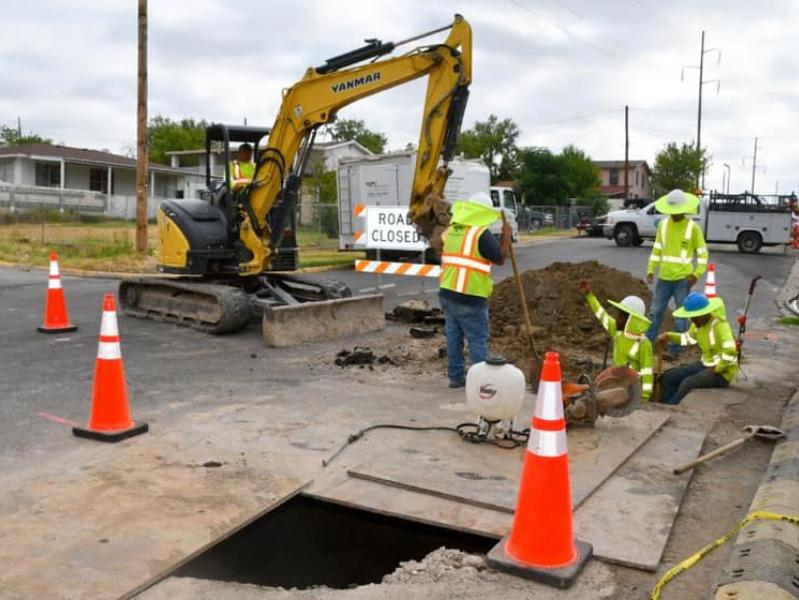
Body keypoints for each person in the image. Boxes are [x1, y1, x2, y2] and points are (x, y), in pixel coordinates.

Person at [439, 192, 511, 388]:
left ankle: (456, 378)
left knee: (454, 338)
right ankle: (480, 384)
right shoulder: (480, 233)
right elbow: (500, 258)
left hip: (447, 292)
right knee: (477, 339)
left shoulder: (452, 230)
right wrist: (506, 236)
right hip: (470, 296)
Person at [646, 189, 709, 358]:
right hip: (664, 278)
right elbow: (657, 249)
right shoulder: (663, 226)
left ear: (683, 209)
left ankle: (674, 351)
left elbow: (703, 254)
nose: (673, 215)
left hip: (683, 280)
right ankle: (646, 346)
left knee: (681, 317)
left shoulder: (692, 228)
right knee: (655, 313)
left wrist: (696, 274)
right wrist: (651, 269)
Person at [655, 291, 738, 405]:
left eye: (694, 317)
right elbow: (688, 339)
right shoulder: (697, 326)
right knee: (669, 377)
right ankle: (666, 403)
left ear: (703, 314)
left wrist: (718, 368)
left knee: (687, 383)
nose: (692, 320)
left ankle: (672, 407)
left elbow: (730, 350)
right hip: (705, 364)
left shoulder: (720, 326)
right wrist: (668, 336)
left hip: (722, 372)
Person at [577, 280, 654, 401]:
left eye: (620, 317)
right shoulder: (618, 332)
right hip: (616, 382)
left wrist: (644, 398)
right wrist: (589, 295)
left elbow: (647, 373)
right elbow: (601, 314)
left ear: (631, 320)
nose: (616, 319)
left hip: (631, 390)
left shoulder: (644, 344)